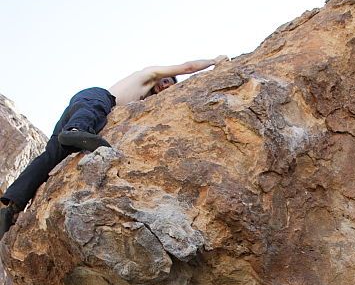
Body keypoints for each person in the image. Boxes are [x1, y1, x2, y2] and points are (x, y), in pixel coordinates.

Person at [0, 56, 229, 239]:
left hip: (79, 109)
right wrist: (213, 62)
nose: (164, 86)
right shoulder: (148, 75)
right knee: (91, 113)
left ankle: (10, 208)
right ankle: (74, 132)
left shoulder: (142, 101)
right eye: (167, 81)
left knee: (50, 156)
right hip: (95, 99)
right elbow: (188, 67)